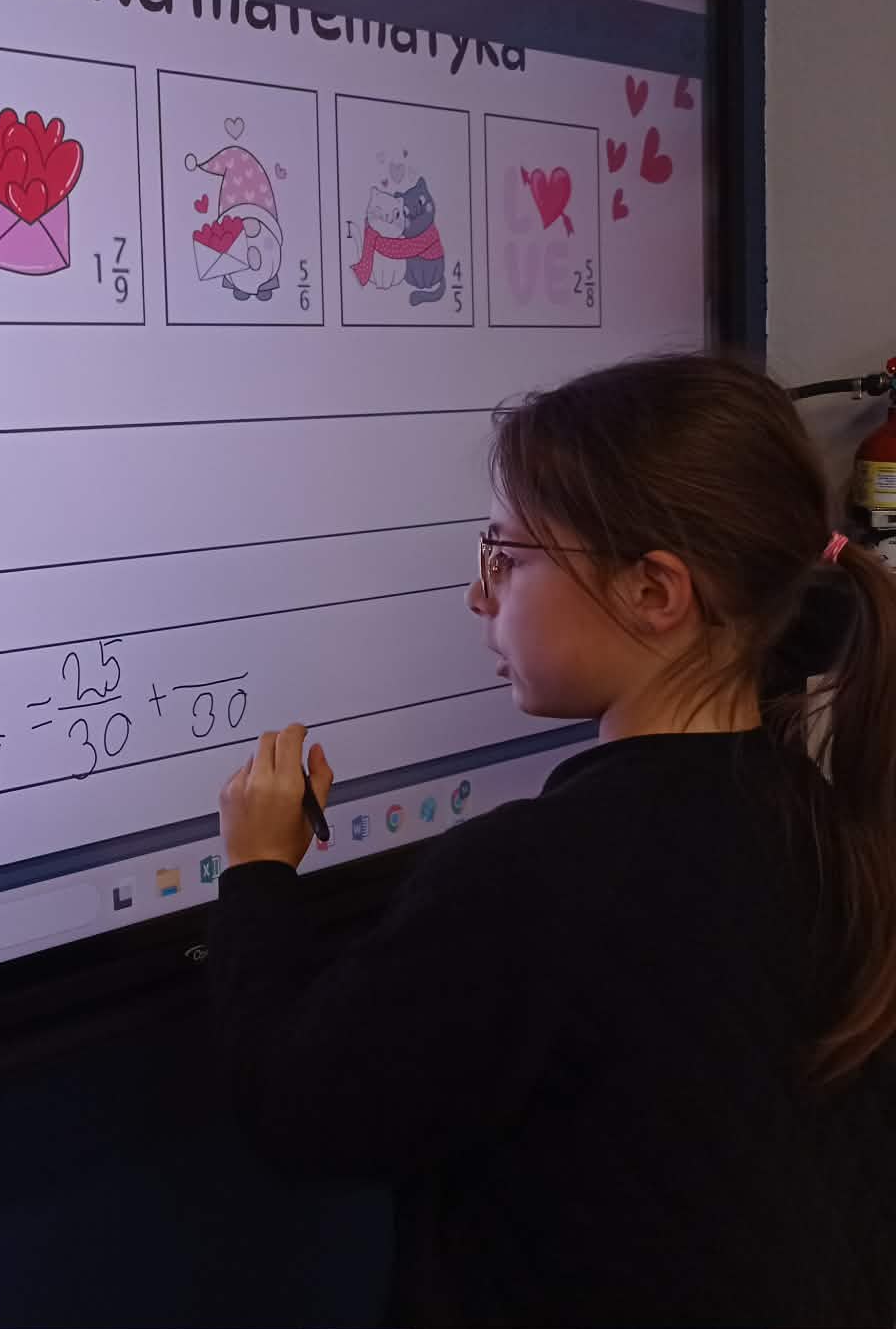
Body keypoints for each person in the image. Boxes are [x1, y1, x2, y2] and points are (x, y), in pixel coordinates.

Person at [207, 352, 896, 1325]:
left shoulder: (538, 874)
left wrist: (256, 873)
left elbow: (303, 1112)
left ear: (653, 591)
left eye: (510, 556)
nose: (479, 596)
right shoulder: (823, 818)